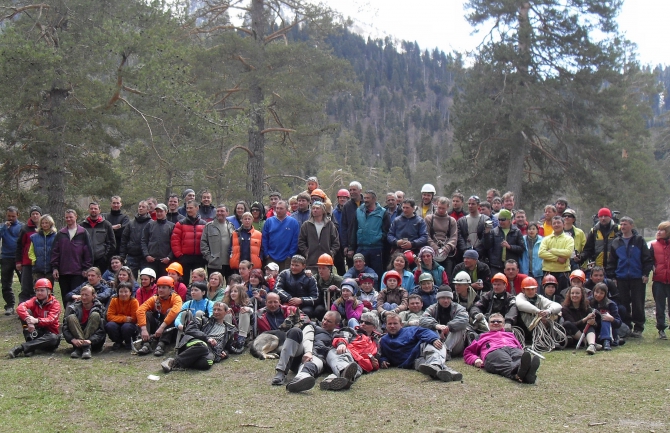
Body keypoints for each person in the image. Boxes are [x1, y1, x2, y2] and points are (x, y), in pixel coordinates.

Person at [271, 310, 342, 392]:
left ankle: (299, 380)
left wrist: (341, 344)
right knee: (295, 331)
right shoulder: (313, 326)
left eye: (329, 321)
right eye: (324, 319)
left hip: (318, 358)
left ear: (336, 325)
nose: (325, 322)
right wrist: (308, 352)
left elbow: (345, 341)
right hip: (301, 354)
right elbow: (308, 337)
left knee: (310, 364)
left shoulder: (338, 334)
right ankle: (281, 372)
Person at [380, 312, 462, 382]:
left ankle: (435, 364)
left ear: (401, 325)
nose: (392, 326)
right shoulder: (384, 340)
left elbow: (425, 331)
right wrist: (384, 360)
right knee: (426, 366)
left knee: (432, 343)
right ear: (386, 325)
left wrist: (433, 339)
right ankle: (451, 373)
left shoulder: (410, 330)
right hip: (412, 362)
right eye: (389, 324)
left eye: (395, 323)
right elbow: (383, 355)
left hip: (421, 351)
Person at [606, 216, 652, 338]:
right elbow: (612, 261)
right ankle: (626, 326)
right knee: (624, 303)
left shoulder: (639, 240)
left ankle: (638, 327)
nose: (623, 226)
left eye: (625, 224)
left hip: (637, 277)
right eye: (621, 224)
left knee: (638, 303)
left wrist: (645, 274)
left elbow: (646, 259)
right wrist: (613, 277)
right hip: (621, 277)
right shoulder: (616, 242)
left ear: (631, 225)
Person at [161, 301, 238, 372]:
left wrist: (225, 354)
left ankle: (184, 363)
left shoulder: (229, 330)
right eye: (214, 309)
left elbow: (229, 348)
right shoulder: (204, 319)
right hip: (195, 343)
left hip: (211, 350)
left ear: (226, 312)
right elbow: (190, 329)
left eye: (219, 310)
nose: (216, 312)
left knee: (207, 363)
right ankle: (173, 362)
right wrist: (207, 338)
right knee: (203, 346)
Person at [463, 313, 541, 383]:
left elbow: (520, 349)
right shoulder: (481, 336)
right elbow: (468, 352)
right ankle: (522, 375)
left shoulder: (510, 335)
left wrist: (522, 353)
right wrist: (475, 359)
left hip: (513, 348)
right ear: (489, 324)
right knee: (504, 361)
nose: (495, 323)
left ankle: (526, 375)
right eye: (492, 321)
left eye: (499, 321)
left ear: (503, 324)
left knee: (521, 357)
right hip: (493, 351)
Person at [321, 312, 381, 390]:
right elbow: (342, 335)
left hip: (358, 364)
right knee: (336, 354)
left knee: (355, 369)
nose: (362, 324)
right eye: (361, 321)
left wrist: (375, 365)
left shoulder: (376, 343)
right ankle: (345, 374)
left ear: (374, 327)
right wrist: (341, 343)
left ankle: (331, 381)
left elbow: (375, 360)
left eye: (367, 323)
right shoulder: (353, 331)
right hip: (344, 353)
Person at [51, 209, 93, 307]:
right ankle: (67, 317)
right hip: (63, 271)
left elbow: (88, 252)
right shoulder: (61, 234)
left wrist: (86, 268)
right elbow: (55, 252)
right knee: (65, 296)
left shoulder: (83, 233)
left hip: (78, 272)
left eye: (71, 217)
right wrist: (55, 268)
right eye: (66, 217)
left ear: (76, 217)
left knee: (77, 296)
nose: (69, 219)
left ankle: (76, 316)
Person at [10, 278, 61, 358]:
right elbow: (20, 308)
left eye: (42, 290)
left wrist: (36, 320)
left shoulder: (55, 304)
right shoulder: (34, 300)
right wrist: (28, 320)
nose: (39, 293)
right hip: (35, 331)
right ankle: (30, 345)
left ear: (49, 291)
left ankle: (22, 348)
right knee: (26, 312)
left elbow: (51, 319)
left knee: (54, 338)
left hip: (49, 335)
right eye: (37, 290)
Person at [136, 275, 183, 356]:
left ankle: (161, 344)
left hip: (169, 329)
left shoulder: (176, 298)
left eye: (164, 287)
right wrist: (144, 329)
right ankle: (146, 343)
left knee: (170, 312)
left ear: (171, 289)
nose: (160, 290)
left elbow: (175, 311)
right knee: (146, 314)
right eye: (159, 287)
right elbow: (140, 310)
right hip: (157, 326)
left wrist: (161, 327)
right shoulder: (155, 299)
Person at [347, 190, 389, 279]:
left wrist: (378, 238)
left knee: (377, 274)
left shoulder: (383, 212)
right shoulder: (359, 211)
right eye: (365, 198)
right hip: (361, 248)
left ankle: (377, 291)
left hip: (376, 248)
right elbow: (353, 229)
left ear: (374, 199)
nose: (365, 200)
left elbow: (387, 231)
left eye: (368, 198)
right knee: (360, 273)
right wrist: (351, 247)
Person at [419, 288, 469, 357]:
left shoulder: (458, 308)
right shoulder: (432, 308)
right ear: (438, 298)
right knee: (428, 327)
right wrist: (436, 326)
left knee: (461, 328)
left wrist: (448, 327)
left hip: (454, 345)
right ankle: (440, 353)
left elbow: (464, 319)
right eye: (443, 298)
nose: (446, 301)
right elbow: (423, 319)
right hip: (438, 341)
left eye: (448, 298)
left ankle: (444, 352)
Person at [62, 285, 106, 359]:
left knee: (95, 315)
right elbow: (65, 327)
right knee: (71, 317)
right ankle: (83, 347)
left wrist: (90, 340)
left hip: (94, 342)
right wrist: (72, 339)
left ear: (93, 296)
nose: (84, 297)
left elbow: (102, 329)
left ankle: (84, 348)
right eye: (82, 295)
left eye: (87, 295)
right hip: (76, 341)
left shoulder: (100, 308)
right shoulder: (73, 307)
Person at [170, 200, 207, 286]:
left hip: (199, 257)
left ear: (197, 208)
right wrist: (179, 255)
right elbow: (175, 241)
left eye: (191, 208)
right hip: (184, 257)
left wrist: (205, 255)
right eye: (187, 208)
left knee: (199, 282)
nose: (189, 210)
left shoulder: (204, 224)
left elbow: (207, 241)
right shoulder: (180, 224)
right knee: (183, 281)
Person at [514, 277, 562, 342]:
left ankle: (555, 338)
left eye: (532, 289)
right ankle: (541, 339)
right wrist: (538, 311)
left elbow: (558, 306)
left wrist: (548, 311)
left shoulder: (540, 298)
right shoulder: (520, 297)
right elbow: (520, 305)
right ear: (523, 290)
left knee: (557, 314)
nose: (530, 291)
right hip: (525, 328)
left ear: (536, 289)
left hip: (540, 327)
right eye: (528, 289)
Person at [274, 255, 321, 319]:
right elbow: (276, 288)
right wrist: (289, 298)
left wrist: (301, 300)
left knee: (306, 312)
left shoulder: (310, 278)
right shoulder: (284, 274)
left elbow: (316, 297)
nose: (293, 267)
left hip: (304, 306)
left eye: (296, 265)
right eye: (292, 265)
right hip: (286, 302)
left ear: (303, 266)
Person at [299, 201, 340, 272]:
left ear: (323, 211)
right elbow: (301, 241)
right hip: (311, 262)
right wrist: (307, 252)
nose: (315, 210)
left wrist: (331, 253)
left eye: (317, 208)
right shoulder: (306, 225)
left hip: (326, 262)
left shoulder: (329, 224)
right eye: (313, 208)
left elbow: (336, 242)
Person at [538, 216, 574, 292]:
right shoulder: (546, 239)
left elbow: (568, 253)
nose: (556, 225)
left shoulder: (569, 239)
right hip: (548, 272)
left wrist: (552, 250)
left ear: (563, 225)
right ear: (552, 225)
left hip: (563, 273)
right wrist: (558, 258)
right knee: (546, 297)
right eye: (554, 223)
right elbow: (541, 253)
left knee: (562, 296)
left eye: (558, 223)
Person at [261, 201, 300, 271]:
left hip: (286, 257)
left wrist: (290, 255)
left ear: (287, 209)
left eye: (281, 208)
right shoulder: (269, 221)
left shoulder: (293, 222)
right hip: (271, 256)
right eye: (277, 208)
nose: (278, 210)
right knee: (271, 279)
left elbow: (295, 240)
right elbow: (264, 238)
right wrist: (266, 253)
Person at [483, 209, 524, 275]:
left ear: (509, 220)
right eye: (499, 220)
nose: (500, 222)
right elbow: (487, 246)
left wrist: (510, 247)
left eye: (503, 219)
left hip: (511, 266)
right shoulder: (494, 231)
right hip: (496, 265)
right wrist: (487, 233)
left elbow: (521, 248)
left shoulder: (517, 231)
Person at [424, 196, 458, 275]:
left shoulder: (452, 220)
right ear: (436, 205)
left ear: (448, 207)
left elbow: (454, 236)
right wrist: (433, 245)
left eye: (443, 208)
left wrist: (448, 247)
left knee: (447, 275)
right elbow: (426, 234)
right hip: (431, 251)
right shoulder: (429, 219)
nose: (441, 210)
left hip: (447, 252)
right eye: (439, 208)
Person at [141, 203, 175, 278]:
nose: (159, 213)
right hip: (151, 261)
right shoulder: (150, 225)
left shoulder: (171, 226)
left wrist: (169, 257)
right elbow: (144, 241)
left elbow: (174, 244)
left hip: (165, 261)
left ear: (166, 212)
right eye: (157, 212)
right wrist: (147, 255)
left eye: (161, 211)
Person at [81, 202, 116, 273]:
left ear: (99, 210)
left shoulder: (106, 225)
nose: (93, 210)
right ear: (88, 210)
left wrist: (105, 258)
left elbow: (112, 244)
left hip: (101, 260)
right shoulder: (82, 225)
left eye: (95, 209)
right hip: (85, 260)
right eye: (91, 208)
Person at [15, 206, 41, 304]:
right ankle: (23, 308)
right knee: (26, 286)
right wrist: (18, 261)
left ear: (40, 215)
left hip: (40, 263)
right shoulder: (25, 229)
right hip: (27, 262)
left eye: (37, 214)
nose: (35, 216)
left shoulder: (44, 227)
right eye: (33, 214)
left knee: (39, 286)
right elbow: (19, 246)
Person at [562, 286, 599, 355]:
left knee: (590, 325)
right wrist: (586, 319)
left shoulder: (586, 306)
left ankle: (591, 345)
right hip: (575, 336)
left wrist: (593, 322)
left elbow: (596, 324)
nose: (574, 295)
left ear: (582, 295)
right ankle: (589, 343)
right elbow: (572, 324)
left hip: (586, 331)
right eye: (572, 293)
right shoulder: (565, 308)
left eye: (577, 293)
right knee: (567, 324)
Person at [201, 204, 235, 277]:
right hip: (214, 264)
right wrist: (209, 258)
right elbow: (203, 243)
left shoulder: (231, 226)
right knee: (214, 286)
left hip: (229, 263)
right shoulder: (209, 226)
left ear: (227, 213)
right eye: (218, 211)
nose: (219, 213)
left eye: (222, 211)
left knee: (230, 286)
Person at [120, 201, 152, 276]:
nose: (140, 208)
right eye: (139, 206)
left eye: (143, 207)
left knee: (146, 278)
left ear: (148, 210)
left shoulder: (152, 223)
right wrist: (122, 256)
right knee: (130, 279)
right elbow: (124, 240)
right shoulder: (131, 223)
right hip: (132, 256)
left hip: (145, 257)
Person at [650, 221, 670, 340]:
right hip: (659, 280)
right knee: (660, 306)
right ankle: (661, 328)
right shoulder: (653, 245)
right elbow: (650, 260)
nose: (658, 232)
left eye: (661, 230)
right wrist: (654, 269)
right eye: (658, 230)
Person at [105, 282, 139, 350]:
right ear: (118, 292)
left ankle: (129, 342)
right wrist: (124, 318)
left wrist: (118, 318)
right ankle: (118, 342)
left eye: (126, 292)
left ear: (130, 292)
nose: (123, 294)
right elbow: (109, 316)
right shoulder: (114, 300)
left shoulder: (134, 302)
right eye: (121, 292)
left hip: (129, 325)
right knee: (110, 325)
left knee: (126, 327)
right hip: (118, 323)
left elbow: (134, 318)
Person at [1, 206, 22, 315]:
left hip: (19, 258)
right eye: (9, 216)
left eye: (13, 216)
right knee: (6, 283)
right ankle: (9, 305)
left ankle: (23, 305)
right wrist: (4, 228)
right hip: (6, 257)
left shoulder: (21, 227)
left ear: (17, 215)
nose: (11, 218)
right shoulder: (3, 227)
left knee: (23, 282)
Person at [456, 195, 490, 260]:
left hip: (481, 255)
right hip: (465, 253)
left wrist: (478, 251)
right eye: (469, 204)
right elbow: (459, 237)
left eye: (473, 204)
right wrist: (464, 250)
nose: (470, 206)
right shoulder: (461, 220)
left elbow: (488, 237)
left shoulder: (486, 219)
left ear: (478, 205)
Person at [28, 214, 57, 287]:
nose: (44, 225)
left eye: (46, 223)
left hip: (50, 268)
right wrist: (34, 261)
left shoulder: (56, 236)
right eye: (42, 223)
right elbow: (31, 251)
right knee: (38, 288)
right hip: (38, 268)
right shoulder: (34, 237)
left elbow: (58, 251)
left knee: (49, 289)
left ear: (51, 223)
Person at [340, 181, 363, 268]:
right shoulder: (347, 206)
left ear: (360, 190)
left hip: (364, 243)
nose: (352, 192)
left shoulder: (367, 204)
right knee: (352, 267)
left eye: (354, 190)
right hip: (351, 244)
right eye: (350, 190)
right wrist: (345, 246)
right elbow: (344, 227)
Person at [222, 284, 253, 349]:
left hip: (244, 328)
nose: (233, 293)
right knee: (227, 313)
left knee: (244, 311)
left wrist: (248, 309)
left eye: (235, 291)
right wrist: (225, 311)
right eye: (231, 291)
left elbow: (253, 312)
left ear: (240, 292)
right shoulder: (226, 302)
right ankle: (229, 336)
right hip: (231, 327)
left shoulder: (247, 301)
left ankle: (241, 339)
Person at [332, 189, 350, 276]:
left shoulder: (352, 210)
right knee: (339, 264)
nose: (342, 199)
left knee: (351, 264)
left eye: (344, 198)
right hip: (338, 241)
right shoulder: (334, 213)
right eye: (340, 198)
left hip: (349, 241)